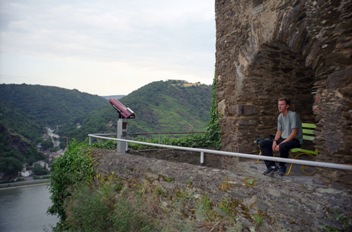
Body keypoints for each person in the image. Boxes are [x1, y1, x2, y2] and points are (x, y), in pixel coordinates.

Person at [260, 97, 303, 176]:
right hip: (284, 139)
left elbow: (294, 133)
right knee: (263, 143)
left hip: (295, 140)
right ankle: (272, 166)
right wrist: (274, 141)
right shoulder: (280, 116)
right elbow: (279, 131)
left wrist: (280, 144)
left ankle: (282, 166)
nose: (279, 106)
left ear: (287, 106)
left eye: (282, 104)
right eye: (278, 105)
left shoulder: (293, 115)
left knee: (283, 146)